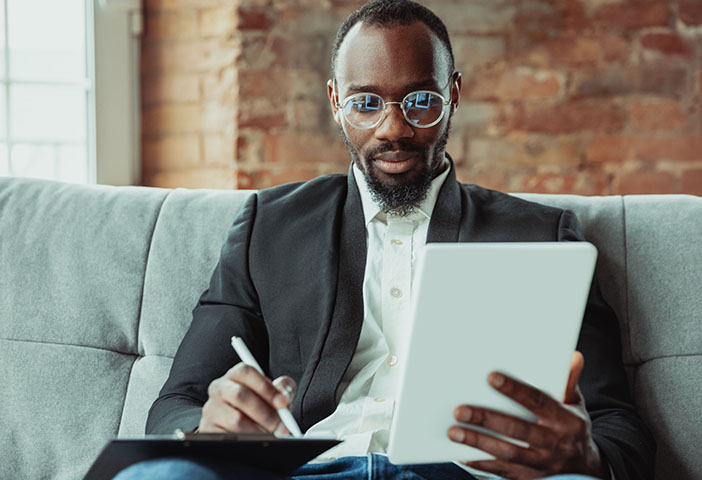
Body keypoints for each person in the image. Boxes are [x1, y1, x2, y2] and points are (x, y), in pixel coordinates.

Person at [121, 1, 656, 479]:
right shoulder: (268, 225)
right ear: (336, 101)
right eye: (366, 103)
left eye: (420, 101)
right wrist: (209, 426)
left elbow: (619, 430)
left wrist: (585, 456)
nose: (393, 128)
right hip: (310, 471)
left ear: (454, 94)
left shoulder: (543, 237)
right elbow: (178, 402)